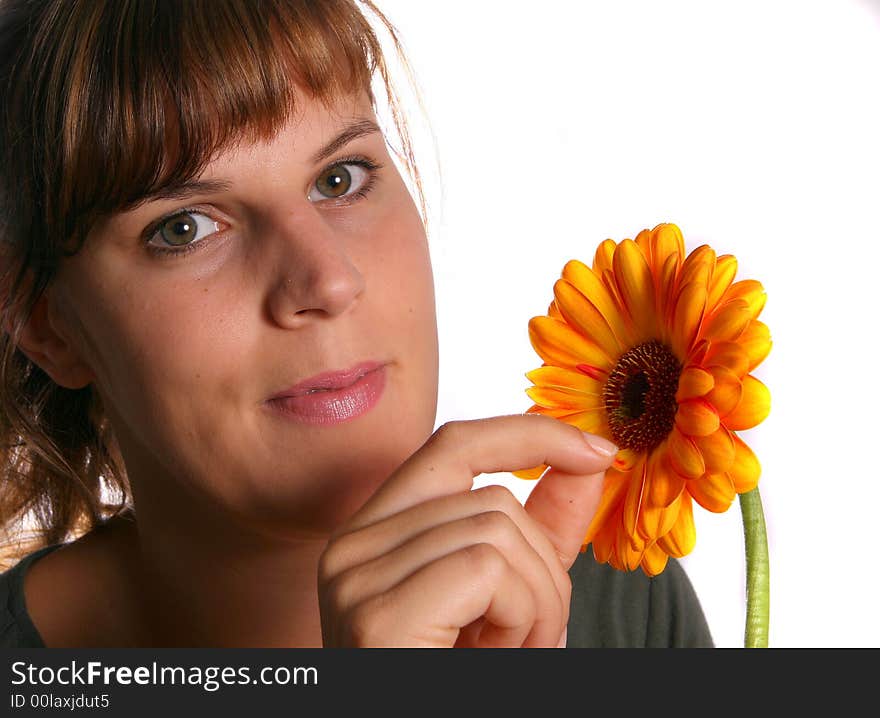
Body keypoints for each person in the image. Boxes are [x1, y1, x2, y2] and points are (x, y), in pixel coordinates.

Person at [0, 0, 712, 648]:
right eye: (183, 228)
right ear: (47, 325)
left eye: (337, 178)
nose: (329, 280)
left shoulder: (612, 595)